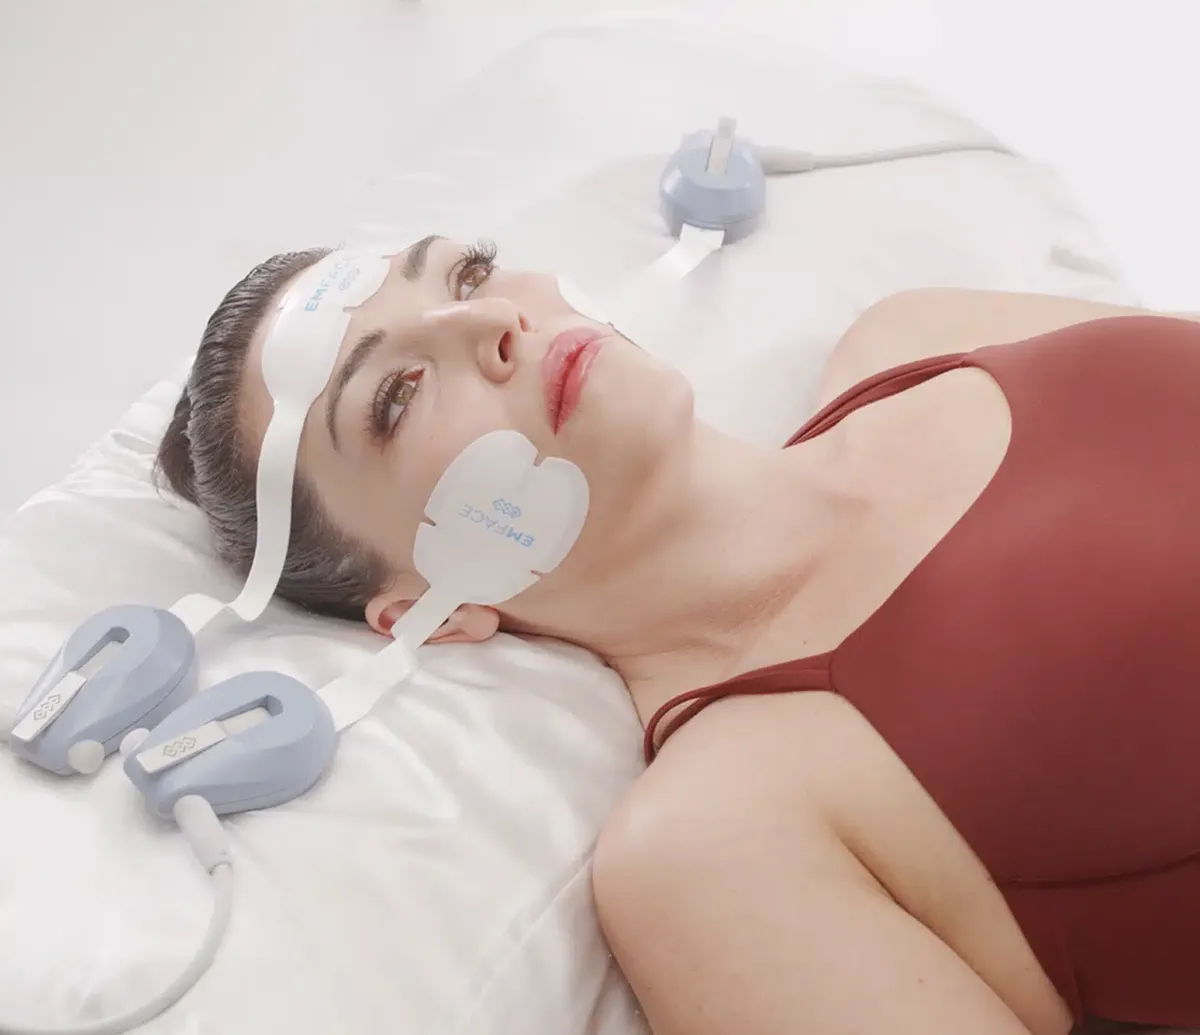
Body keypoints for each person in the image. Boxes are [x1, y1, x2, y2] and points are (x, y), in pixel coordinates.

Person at [157, 235, 1200, 1035]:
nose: (493, 322)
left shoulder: (913, 337)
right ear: (428, 608)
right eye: (398, 395)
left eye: (468, 273)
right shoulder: (714, 844)